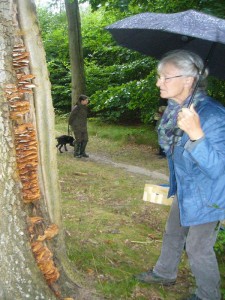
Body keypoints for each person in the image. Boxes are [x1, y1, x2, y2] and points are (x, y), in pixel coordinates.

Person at [135, 50, 225, 300]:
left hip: (211, 194)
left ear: (188, 80)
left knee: (198, 247)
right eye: (158, 77)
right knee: (173, 231)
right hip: (188, 188)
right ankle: (165, 273)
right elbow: (175, 153)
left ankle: (209, 295)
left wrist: (197, 135)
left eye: (165, 77)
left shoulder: (213, 115)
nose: (158, 83)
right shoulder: (177, 110)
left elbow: (219, 168)